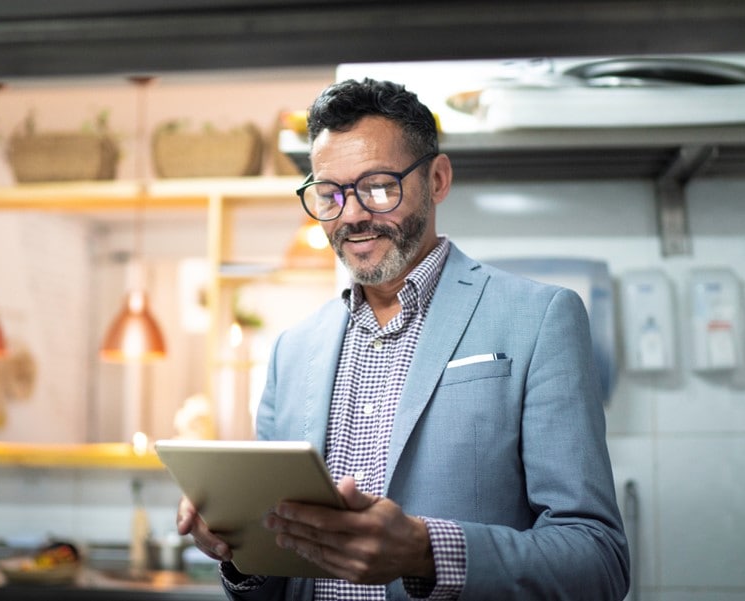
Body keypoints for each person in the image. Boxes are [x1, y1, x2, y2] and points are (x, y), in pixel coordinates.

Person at [177, 78, 630, 600]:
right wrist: (239, 552)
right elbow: (279, 580)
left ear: (437, 180)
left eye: (377, 186)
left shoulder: (542, 317)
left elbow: (599, 561)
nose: (351, 215)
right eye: (329, 194)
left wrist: (424, 551)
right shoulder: (292, 350)